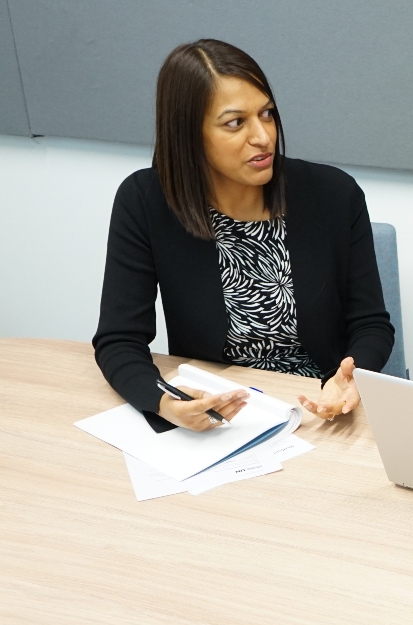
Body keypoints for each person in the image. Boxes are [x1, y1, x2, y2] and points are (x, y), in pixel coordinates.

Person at [93, 39, 394, 431]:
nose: (263, 136)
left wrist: (350, 377)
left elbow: (372, 325)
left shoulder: (334, 194)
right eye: (235, 123)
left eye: (266, 114)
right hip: (222, 416)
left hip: (318, 407)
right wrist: (165, 402)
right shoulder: (146, 201)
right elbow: (119, 340)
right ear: (188, 134)